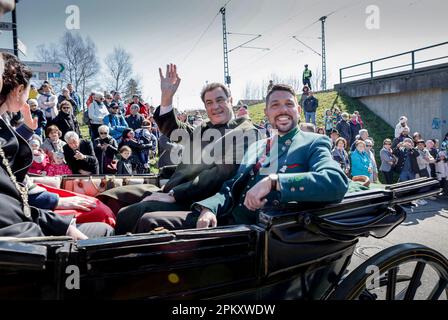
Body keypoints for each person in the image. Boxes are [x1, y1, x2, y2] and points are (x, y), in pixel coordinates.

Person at [135, 84, 349, 232]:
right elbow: (230, 186)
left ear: (299, 110)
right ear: (266, 113)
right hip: (226, 220)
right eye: (275, 105)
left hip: (261, 233)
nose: (283, 110)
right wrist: (209, 208)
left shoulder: (312, 142)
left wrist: (274, 182)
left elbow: (336, 181)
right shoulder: (258, 146)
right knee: (149, 221)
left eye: (289, 104)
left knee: (149, 221)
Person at [98, 64, 260, 235]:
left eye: (220, 100)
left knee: (133, 212)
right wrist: (167, 98)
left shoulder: (246, 131)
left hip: (196, 197)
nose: (215, 107)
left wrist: (175, 194)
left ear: (231, 100)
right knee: (113, 196)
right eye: (209, 102)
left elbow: (220, 174)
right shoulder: (205, 127)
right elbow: (176, 131)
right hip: (173, 187)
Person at [0, 49, 112, 239]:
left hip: (24, 210)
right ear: (19, 90)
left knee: (99, 209)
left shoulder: (5, 121)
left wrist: (27, 130)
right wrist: (61, 224)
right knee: (102, 216)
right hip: (18, 236)